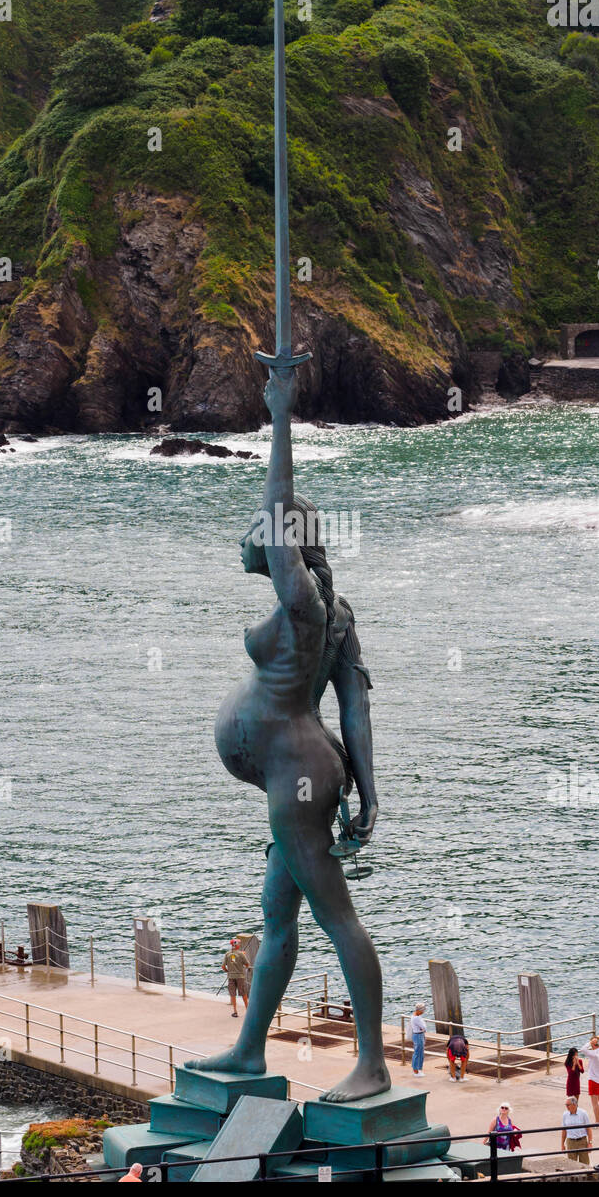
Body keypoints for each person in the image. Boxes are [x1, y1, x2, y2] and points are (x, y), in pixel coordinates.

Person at [184, 368, 387, 1104]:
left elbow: (274, 508)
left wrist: (278, 417)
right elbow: (356, 709)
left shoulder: (302, 605)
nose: (250, 539)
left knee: (337, 916)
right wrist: (366, 791)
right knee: (276, 919)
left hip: (294, 773)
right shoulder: (336, 616)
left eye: (263, 537)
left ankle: (372, 1064)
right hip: (306, 766)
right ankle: (246, 1053)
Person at [580, 1032, 599, 1123]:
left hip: (593, 1079)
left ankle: (597, 1121)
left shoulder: (593, 1053)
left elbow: (583, 1049)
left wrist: (591, 1041)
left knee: (594, 1101)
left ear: (593, 1044)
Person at [221, 939, 251, 1017]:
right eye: (239, 943)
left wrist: (228, 971)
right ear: (236, 945)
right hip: (240, 977)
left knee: (233, 994)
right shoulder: (241, 954)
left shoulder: (227, 954)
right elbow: (247, 964)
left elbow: (223, 966)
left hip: (231, 976)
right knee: (243, 993)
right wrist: (243, 957)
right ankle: (247, 1010)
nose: (240, 944)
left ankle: (235, 1011)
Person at [561, 1094, 593, 1164]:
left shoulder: (583, 1113)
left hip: (582, 1141)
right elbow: (564, 1130)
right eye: (566, 1105)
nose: (566, 1107)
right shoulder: (565, 1115)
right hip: (570, 1142)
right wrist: (562, 1144)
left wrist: (590, 1143)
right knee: (572, 1164)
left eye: (568, 1105)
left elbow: (588, 1129)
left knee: (585, 1163)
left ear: (574, 1104)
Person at [410, 1003, 427, 1077]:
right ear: (419, 1010)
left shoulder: (415, 1016)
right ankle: (416, 1071)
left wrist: (423, 1027)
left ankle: (418, 1069)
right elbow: (424, 1026)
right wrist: (423, 1027)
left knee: (419, 1053)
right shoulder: (416, 1018)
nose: (423, 1012)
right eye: (422, 1010)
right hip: (418, 1035)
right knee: (418, 1053)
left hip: (418, 1034)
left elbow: (423, 1027)